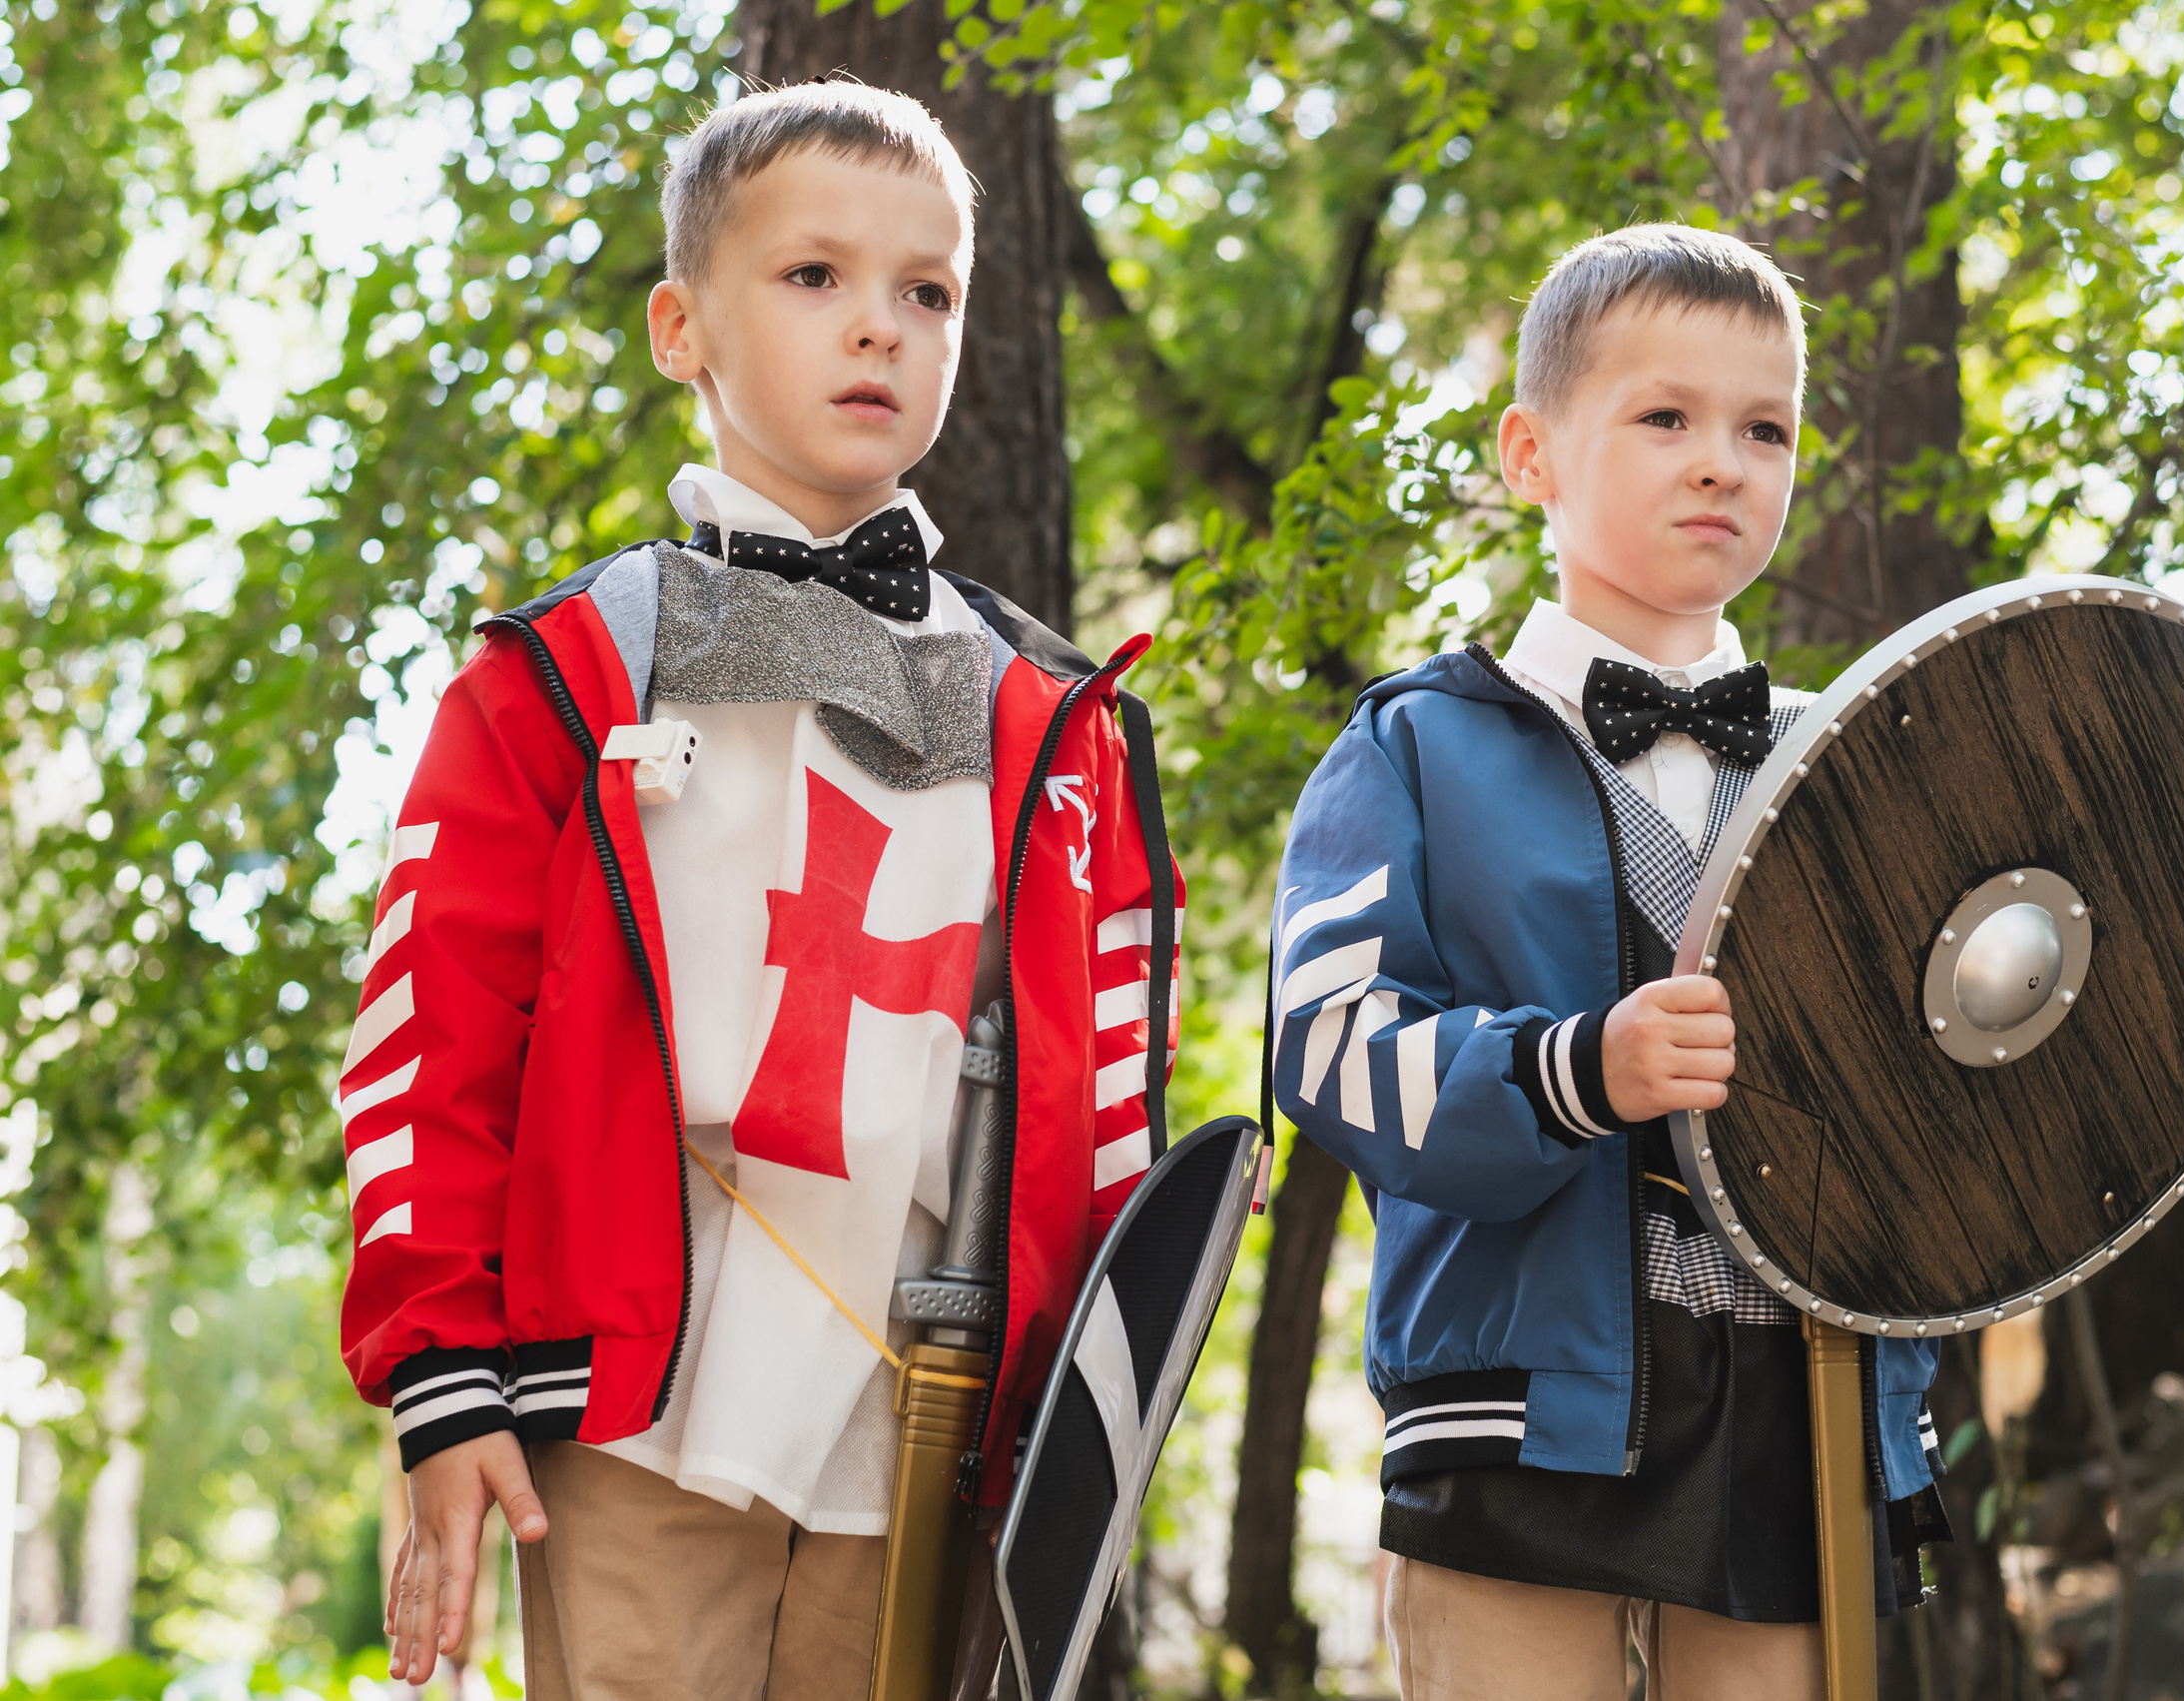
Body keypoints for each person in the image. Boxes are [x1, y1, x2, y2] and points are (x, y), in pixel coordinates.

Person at [337, 80, 1183, 1701]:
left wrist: (1080, 1419)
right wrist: (441, 1374)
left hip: (933, 1418)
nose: (879, 327)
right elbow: (433, 1040)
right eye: (814, 276)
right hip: (644, 1402)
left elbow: (1112, 1107)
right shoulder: (561, 678)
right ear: (681, 328)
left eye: (927, 293)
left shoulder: (1059, 727)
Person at [1270, 224, 1947, 1701]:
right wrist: (1578, 1070)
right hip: (1519, 1420)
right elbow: (1323, 1047)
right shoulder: (1413, 747)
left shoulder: (1860, 765)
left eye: (1764, 430)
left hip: (1803, 1415)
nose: (1722, 465)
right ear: (1532, 455)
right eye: (1665, 417)